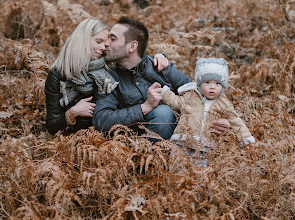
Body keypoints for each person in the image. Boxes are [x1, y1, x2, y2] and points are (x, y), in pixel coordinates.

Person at [93, 17, 231, 141]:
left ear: (132, 46)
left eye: (113, 38)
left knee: (163, 112)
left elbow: (200, 92)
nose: (105, 43)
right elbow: (101, 120)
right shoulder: (107, 77)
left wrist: (223, 119)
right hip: (129, 146)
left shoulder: (161, 67)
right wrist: (144, 107)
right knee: (162, 112)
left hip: (174, 143)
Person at [44, 17, 168, 136]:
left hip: (114, 135)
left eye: (106, 42)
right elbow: (52, 126)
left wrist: (157, 57)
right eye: (98, 42)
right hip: (79, 143)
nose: (103, 47)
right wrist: (72, 113)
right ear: (82, 40)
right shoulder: (58, 74)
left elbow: (133, 58)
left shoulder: (108, 63)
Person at [161, 57, 255, 165]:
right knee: (177, 168)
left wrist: (247, 140)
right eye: (207, 82)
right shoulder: (191, 96)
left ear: (223, 86)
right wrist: (165, 93)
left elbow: (236, 121)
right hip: (182, 142)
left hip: (204, 147)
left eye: (217, 83)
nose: (212, 87)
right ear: (199, 84)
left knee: (200, 174)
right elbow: (176, 101)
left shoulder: (224, 103)